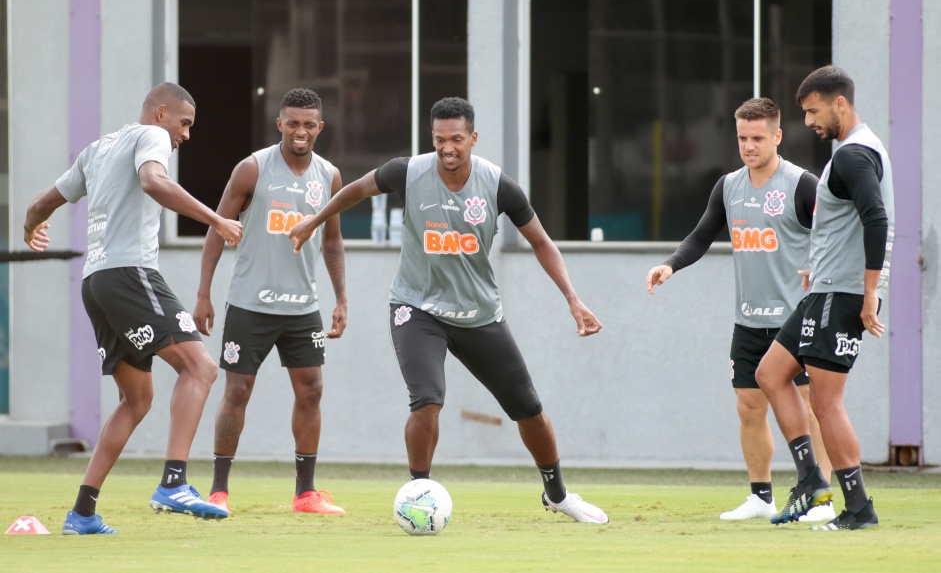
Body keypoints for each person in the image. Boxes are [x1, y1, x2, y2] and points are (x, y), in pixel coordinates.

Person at [289, 97, 609, 523]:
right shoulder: (407, 171)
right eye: (439, 139)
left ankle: (557, 495)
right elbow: (355, 191)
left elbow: (541, 242)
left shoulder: (499, 186)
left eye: (456, 139)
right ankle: (419, 491)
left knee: (528, 408)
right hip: (416, 308)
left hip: (478, 314)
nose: (447, 148)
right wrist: (314, 219)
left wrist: (573, 299)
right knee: (427, 402)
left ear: (473, 138)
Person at [23, 83, 243, 535]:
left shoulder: (97, 149)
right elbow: (153, 180)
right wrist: (216, 219)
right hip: (130, 274)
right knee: (200, 368)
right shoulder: (153, 137)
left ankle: (82, 513)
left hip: (96, 283)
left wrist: (32, 227)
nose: (186, 135)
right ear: (162, 113)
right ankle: (174, 482)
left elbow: (41, 204)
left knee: (136, 399)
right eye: (185, 124)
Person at [645, 98, 834, 522]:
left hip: (796, 319)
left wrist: (820, 273)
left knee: (809, 408)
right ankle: (760, 496)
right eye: (742, 139)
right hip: (748, 321)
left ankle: (821, 497)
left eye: (757, 138)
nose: (749, 146)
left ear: (778, 137)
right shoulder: (728, 186)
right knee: (749, 407)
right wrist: (670, 265)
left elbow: (834, 235)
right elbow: (701, 235)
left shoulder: (802, 184)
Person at [194, 88, 347, 515]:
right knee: (237, 390)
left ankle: (306, 493)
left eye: (309, 124)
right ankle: (219, 491)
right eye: (293, 123)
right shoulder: (252, 169)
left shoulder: (330, 176)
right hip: (249, 304)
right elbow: (216, 230)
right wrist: (204, 294)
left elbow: (333, 243)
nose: (301, 131)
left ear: (320, 127)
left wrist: (341, 299)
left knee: (312, 390)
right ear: (280, 124)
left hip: (302, 308)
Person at [755, 66, 894, 530]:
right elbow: (852, 222)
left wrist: (870, 292)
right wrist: (822, 259)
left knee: (825, 402)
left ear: (839, 104)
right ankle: (812, 480)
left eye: (813, 111)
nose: (809, 122)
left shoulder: (854, 155)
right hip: (826, 289)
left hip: (845, 295)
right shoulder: (855, 152)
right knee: (770, 373)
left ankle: (858, 510)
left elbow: (876, 219)